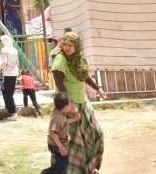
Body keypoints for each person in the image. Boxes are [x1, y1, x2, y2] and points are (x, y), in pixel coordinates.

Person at [50, 32, 107, 173]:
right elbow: (60, 85)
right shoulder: (60, 60)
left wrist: (98, 88)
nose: (67, 48)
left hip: (83, 102)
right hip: (68, 105)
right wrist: (70, 104)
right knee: (74, 142)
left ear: (76, 46)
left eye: (71, 45)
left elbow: (84, 76)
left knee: (96, 134)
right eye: (65, 44)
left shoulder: (78, 58)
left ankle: (90, 167)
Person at [42, 92, 79, 174]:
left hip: (55, 145)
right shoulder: (59, 118)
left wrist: (74, 119)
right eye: (70, 103)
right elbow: (53, 133)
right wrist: (61, 147)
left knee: (61, 162)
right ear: (65, 107)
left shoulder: (57, 112)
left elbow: (64, 122)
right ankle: (49, 172)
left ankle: (48, 172)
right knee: (62, 164)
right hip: (56, 145)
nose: (71, 105)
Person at [0, 35, 19, 121]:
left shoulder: (5, 49)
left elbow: (3, 62)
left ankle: (13, 112)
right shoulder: (14, 50)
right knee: (9, 92)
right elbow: (17, 62)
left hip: (8, 73)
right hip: (14, 72)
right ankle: (10, 109)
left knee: (8, 94)